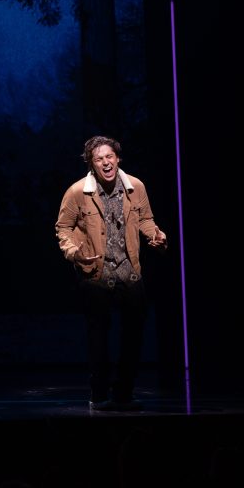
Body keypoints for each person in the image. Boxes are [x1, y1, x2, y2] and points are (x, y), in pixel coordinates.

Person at [55, 136, 167, 411]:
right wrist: (74, 252)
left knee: (134, 335)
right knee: (98, 336)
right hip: (96, 273)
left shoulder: (135, 187)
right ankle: (99, 393)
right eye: (99, 159)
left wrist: (156, 235)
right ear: (91, 165)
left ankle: (124, 393)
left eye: (109, 157)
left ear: (117, 158)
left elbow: (145, 218)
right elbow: (63, 228)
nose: (106, 162)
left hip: (130, 271)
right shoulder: (77, 192)